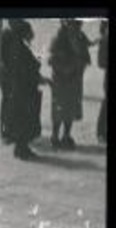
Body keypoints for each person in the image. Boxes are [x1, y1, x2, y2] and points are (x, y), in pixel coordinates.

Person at [0, 19, 43, 160]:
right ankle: (21, 148)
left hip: (20, 88)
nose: (31, 35)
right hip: (23, 90)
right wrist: (36, 71)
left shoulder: (17, 46)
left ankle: (20, 145)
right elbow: (24, 70)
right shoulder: (19, 48)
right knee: (24, 118)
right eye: (29, 32)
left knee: (20, 117)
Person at [49, 18, 93, 149]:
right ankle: (55, 136)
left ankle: (66, 135)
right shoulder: (58, 39)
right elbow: (52, 60)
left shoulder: (80, 38)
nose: (77, 26)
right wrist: (65, 69)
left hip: (74, 80)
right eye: (74, 24)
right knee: (59, 109)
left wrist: (79, 65)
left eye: (78, 24)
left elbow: (86, 58)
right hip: (61, 80)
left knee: (71, 109)